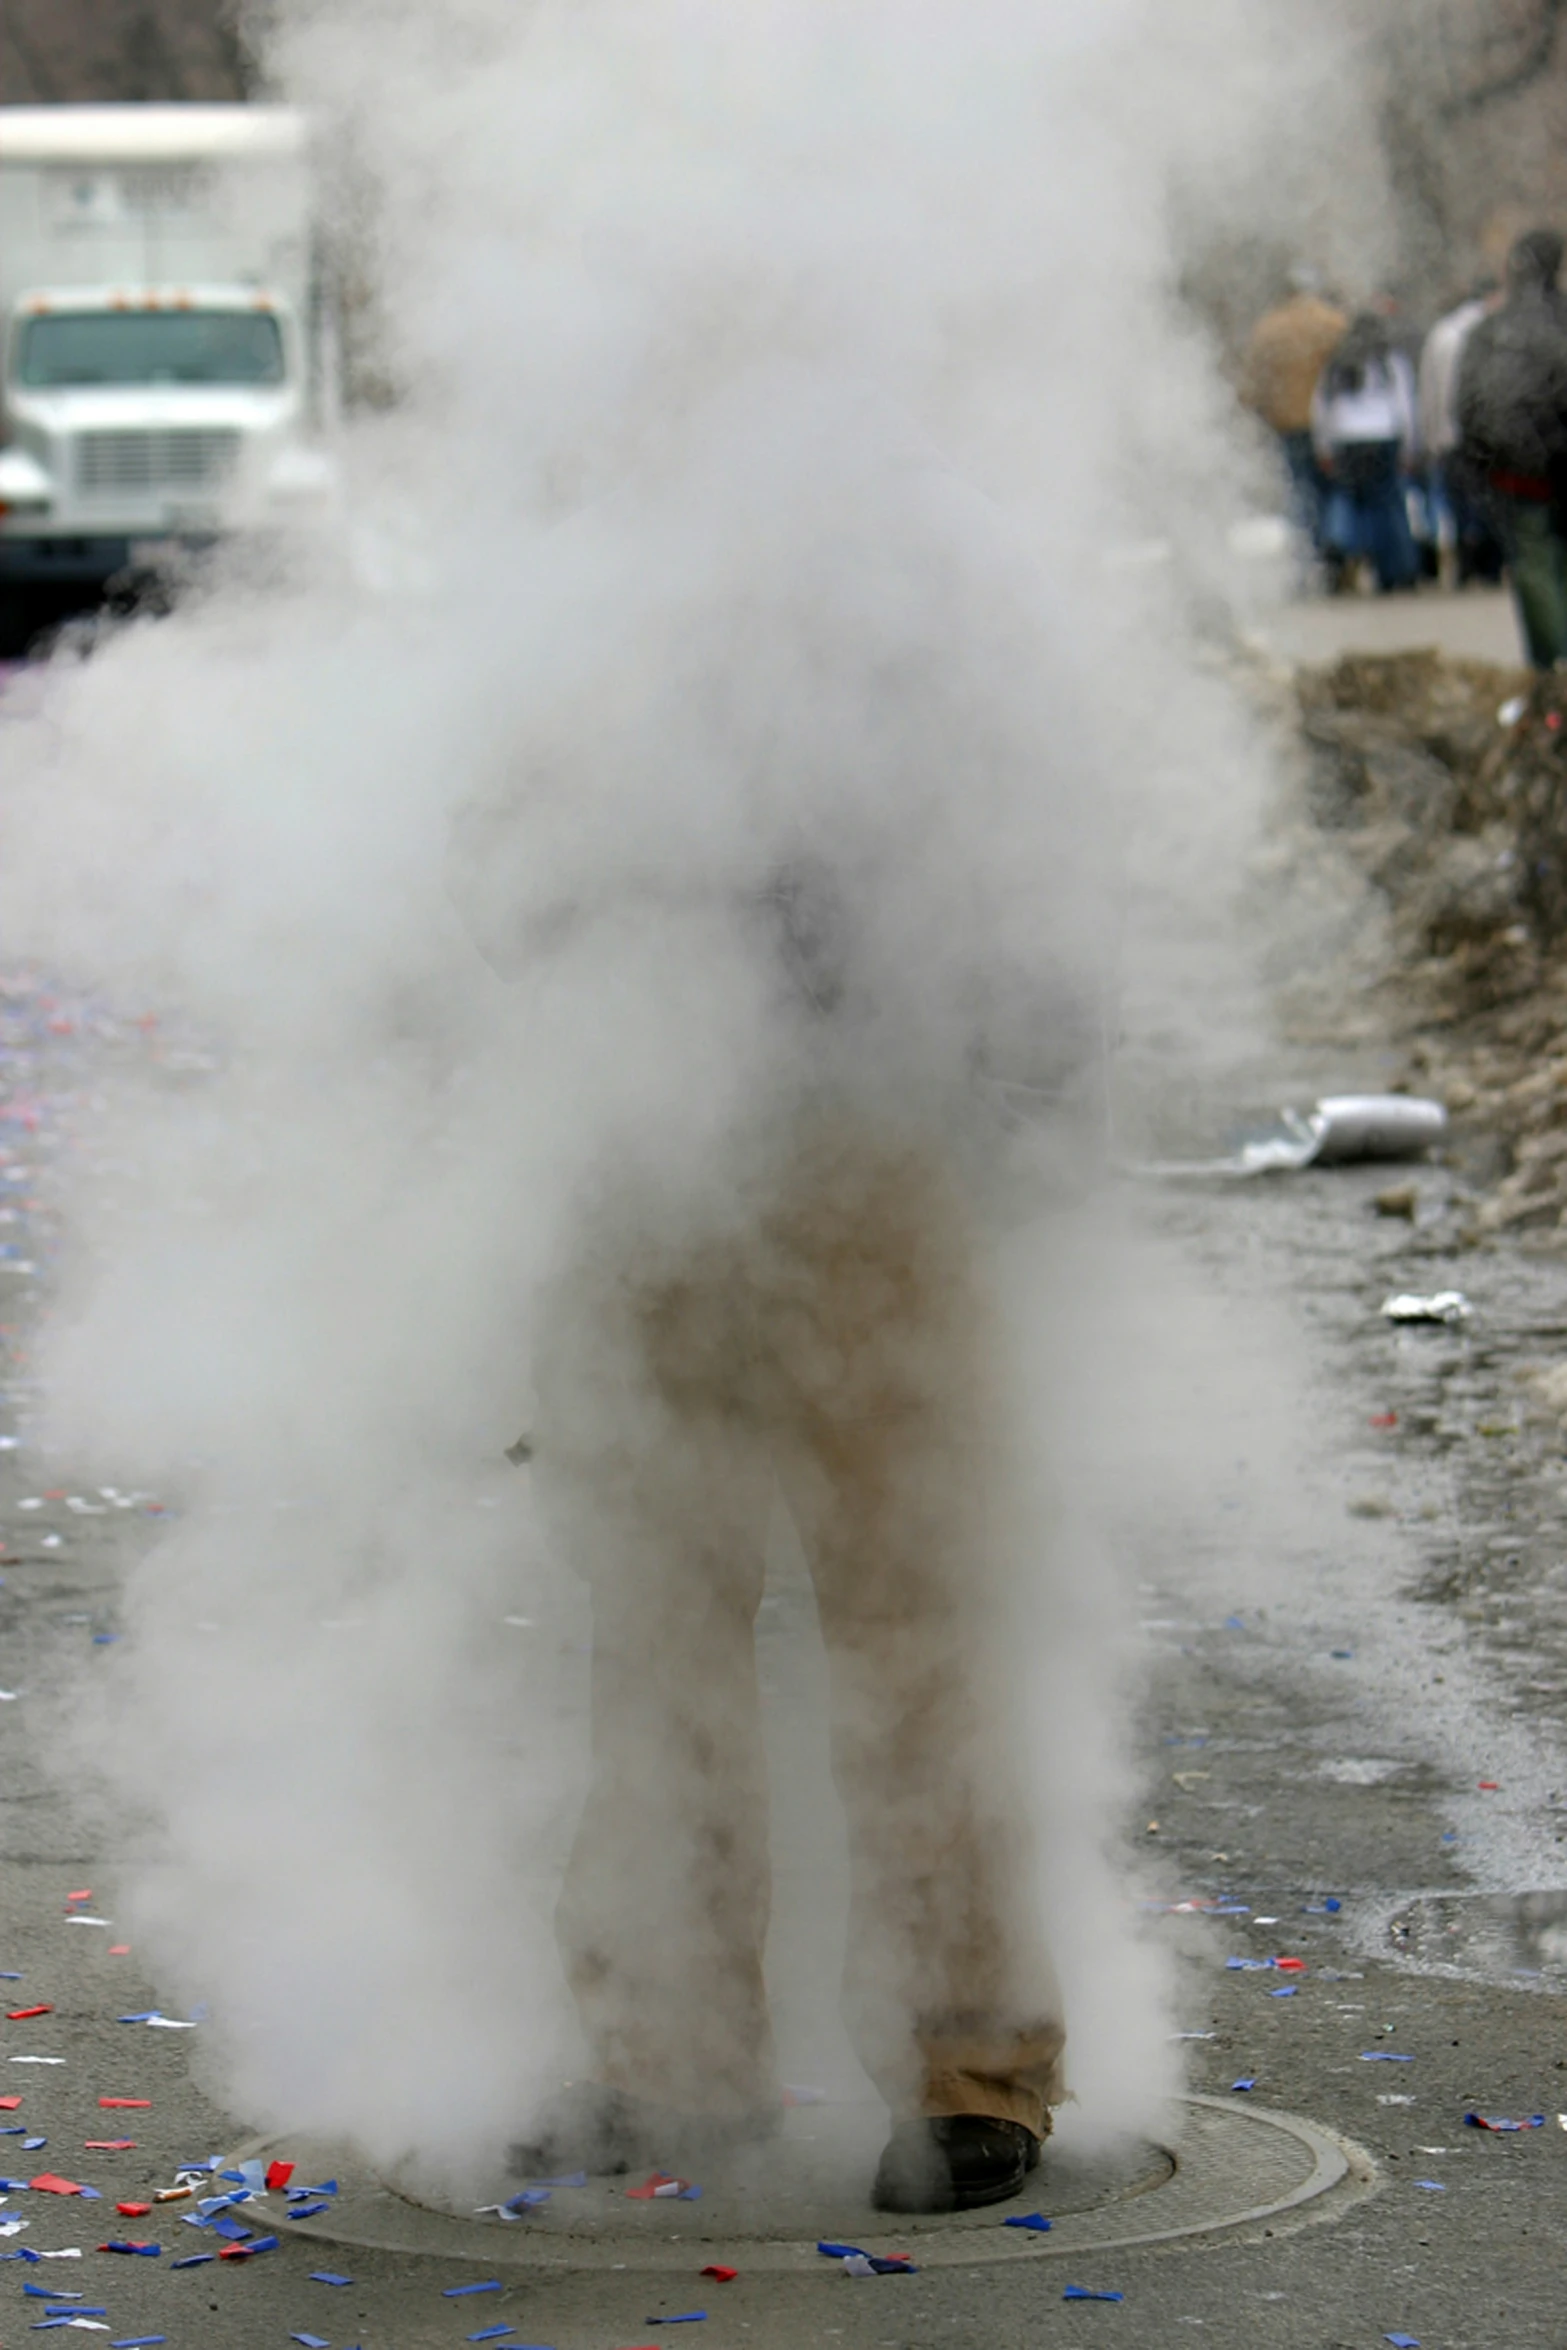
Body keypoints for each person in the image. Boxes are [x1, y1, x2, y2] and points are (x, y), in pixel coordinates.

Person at [451, 404, 1102, 2218]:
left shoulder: (931, 585)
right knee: (655, 1628)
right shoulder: (585, 591)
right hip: (650, 1158)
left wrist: (1005, 1121)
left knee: (909, 1620)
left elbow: (1031, 880)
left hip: (872, 1145)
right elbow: (495, 875)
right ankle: (668, 2061)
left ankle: (976, 2072)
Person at [1457, 228, 1567, 668]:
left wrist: (1482, 464)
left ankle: (1554, 670)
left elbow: (1469, 406)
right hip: (1537, 465)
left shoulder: (1491, 329)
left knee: (1535, 567)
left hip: (1519, 472)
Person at [1239, 267, 1347, 559]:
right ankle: (1336, 557)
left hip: (1286, 423)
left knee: (1299, 495)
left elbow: (1251, 382)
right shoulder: (1334, 322)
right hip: (1333, 423)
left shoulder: (1267, 329)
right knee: (1333, 491)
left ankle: (1308, 563)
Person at [1310, 311, 1420, 593]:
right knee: (1388, 505)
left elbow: (1321, 405)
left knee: (1346, 498)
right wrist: (1409, 447)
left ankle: (1339, 545)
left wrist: (1323, 446)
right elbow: (1405, 406)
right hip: (1383, 434)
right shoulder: (1389, 360)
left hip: (1346, 438)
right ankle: (1397, 569)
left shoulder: (1338, 362)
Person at [1418, 279, 1504, 587]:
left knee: (1459, 501)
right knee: (1488, 500)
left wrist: (1429, 433)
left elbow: (1429, 389)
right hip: (1491, 433)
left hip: (1449, 433)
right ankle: (1491, 567)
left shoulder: (1442, 334)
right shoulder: (1497, 331)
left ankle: (1465, 565)